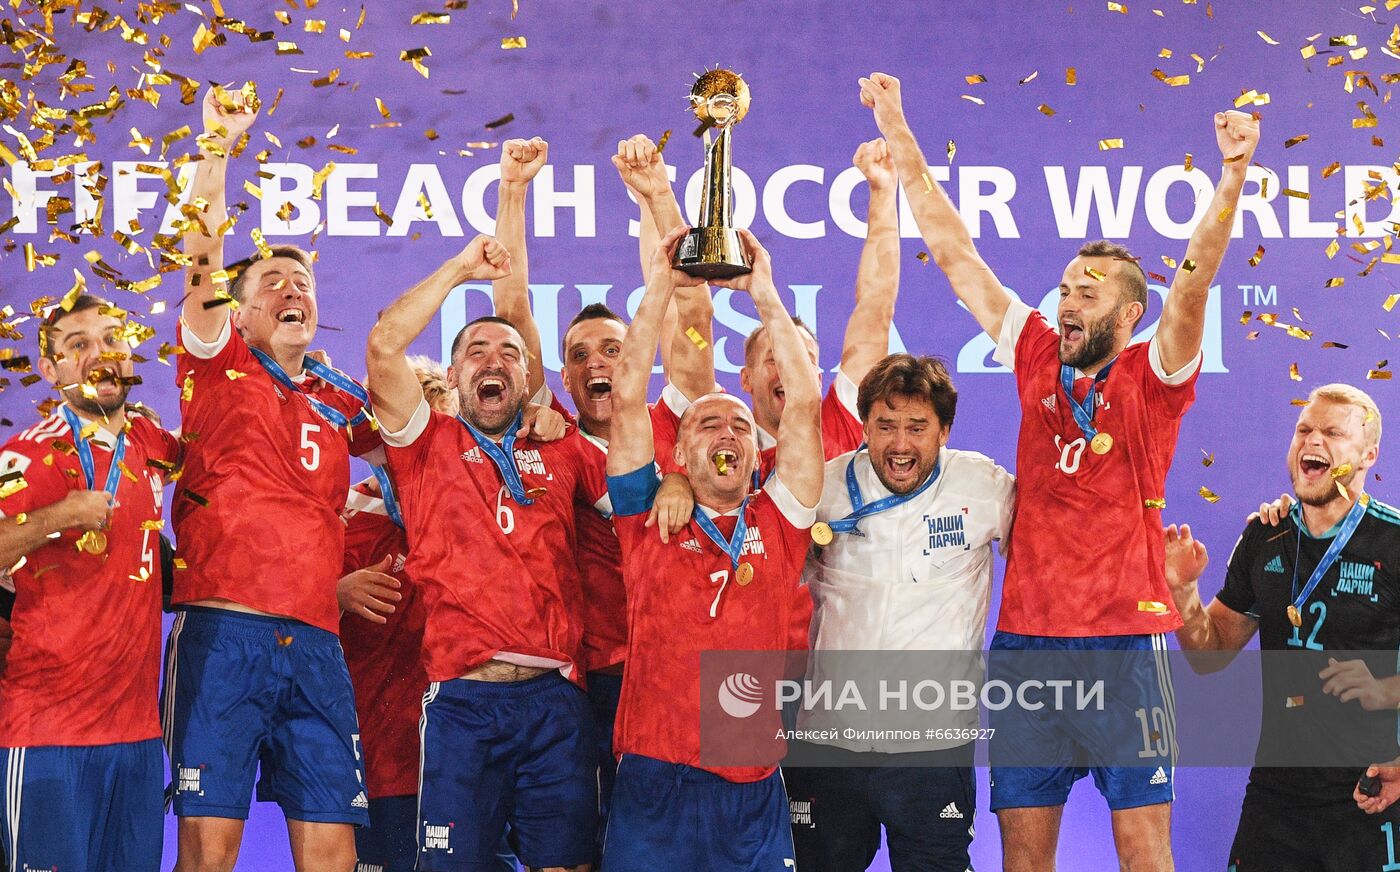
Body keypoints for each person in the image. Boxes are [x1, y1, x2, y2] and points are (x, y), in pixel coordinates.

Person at [858, 69, 1260, 870]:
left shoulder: (1154, 377)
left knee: (1144, 851)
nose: (1068, 301)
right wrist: (898, 129)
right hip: (1027, 646)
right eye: (1066, 287)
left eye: (1088, 293)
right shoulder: (1037, 351)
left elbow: (1192, 286)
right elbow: (956, 255)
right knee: (1023, 856)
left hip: (1123, 643)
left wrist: (1232, 176)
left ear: (1128, 315)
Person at [165, 85, 382, 872]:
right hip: (225, 638)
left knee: (334, 856)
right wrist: (217, 146)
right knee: (209, 852)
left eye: (304, 284)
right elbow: (200, 259)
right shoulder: (216, 363)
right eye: (273, 284)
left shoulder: (338, 399)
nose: (293, 292)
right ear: (241, 312)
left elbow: (424, 446)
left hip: (318, 645)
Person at [488, 134, 703, 860]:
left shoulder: (676, 424)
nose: (596, 364)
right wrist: (513, 190)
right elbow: (512, 308)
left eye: (612, 348)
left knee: (693, 846)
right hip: (599, 676)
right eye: (577, 356)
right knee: (590, 848)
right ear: (562, 375)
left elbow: (689, 315)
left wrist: (658, 196)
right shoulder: (553, 437)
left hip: (689, 668)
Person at [366, 234, 607, 872]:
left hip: (554, 700)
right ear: (453, 377)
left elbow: (636, 501)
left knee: (568, 865)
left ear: (527, 380)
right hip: (462, 705)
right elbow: (385, 344)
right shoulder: (423, 443)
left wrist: (673, 484)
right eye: (476, 352)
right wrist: (460, 270)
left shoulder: (563, 446)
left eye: (509, 353)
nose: (492, 361)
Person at [600, 224, 824, 871]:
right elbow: (626, 397)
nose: (727, 432)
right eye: (707, 422)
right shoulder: (645, 515)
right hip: (656, 770)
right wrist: (660, 285)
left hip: (748, 775)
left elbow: (805, 404)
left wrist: (765, 292)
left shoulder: (780, 521)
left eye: (740, 426)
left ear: (757, 454)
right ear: (676, 449)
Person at [784, 353, 1014, 872]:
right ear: (864, 426)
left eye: (917, 427)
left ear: (944, 431)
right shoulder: (822, 489)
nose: (900, 444)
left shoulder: (981, 486)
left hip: (932, 748)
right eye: (885, 426)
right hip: (829, 741)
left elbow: (1054, 539)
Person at [1163, 384, 1400, 871]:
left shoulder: (1393, 541)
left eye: (1333, 432)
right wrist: (1183, 592)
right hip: (1276, 797)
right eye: (1304, 429)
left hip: (1371, 791)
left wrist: (1385, 689)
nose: (1313, 440)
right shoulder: (1265, 535)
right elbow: (1210, 654)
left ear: (1368, 455)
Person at [0, 295, 181, 871]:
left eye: (111, 339)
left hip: (137, 737)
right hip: (48, 732)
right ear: (51, 371)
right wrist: (61, 514)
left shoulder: (150, 444)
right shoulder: (30, 453)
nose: (99, 353)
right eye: (78, 345)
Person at [335, 357, 509, 872]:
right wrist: (333, 594)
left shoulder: (492, 511)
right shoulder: (344, 516)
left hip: (474, 754)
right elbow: (287, 616)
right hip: (381, 754)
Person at [737, 137, 902, 480]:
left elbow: (875, 308)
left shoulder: (842, 419)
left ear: (819, 377)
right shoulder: (719, 441)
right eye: (775, 358)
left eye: (803, 359)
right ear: (746, 378)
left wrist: (883, 191)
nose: (790, 368)